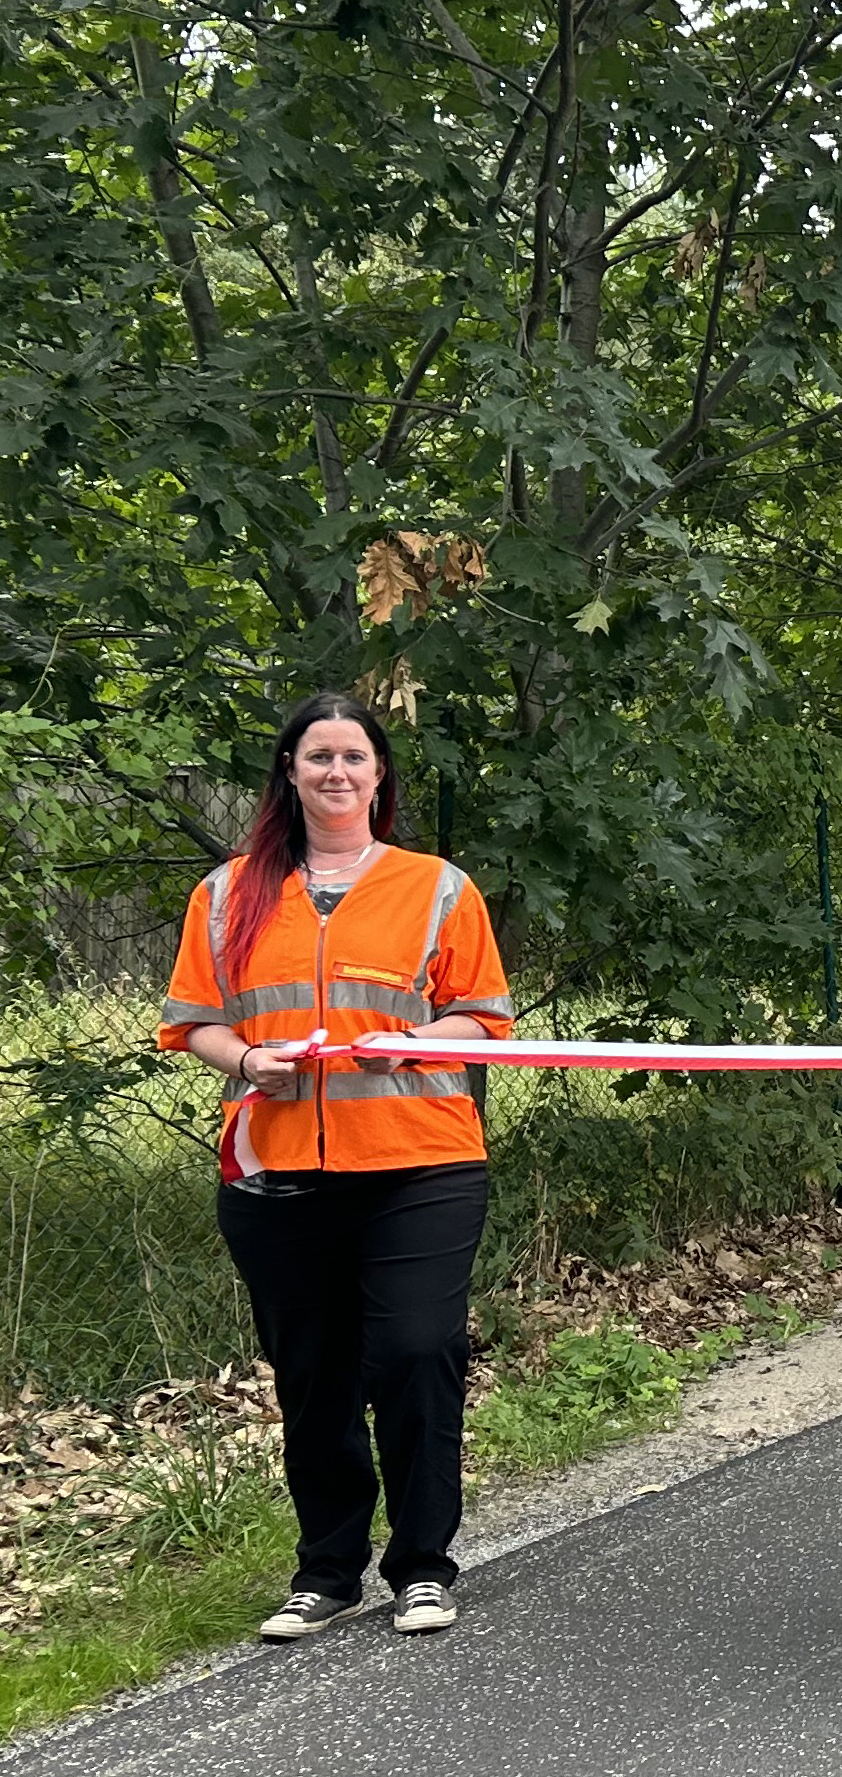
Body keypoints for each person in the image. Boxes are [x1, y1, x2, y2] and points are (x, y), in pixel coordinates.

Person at [157, 691, 516, 1642]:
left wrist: (417, 1038)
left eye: (354, 755)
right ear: (289, 770)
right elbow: (194, 1018)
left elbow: (484, 1015)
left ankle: (423, 1567)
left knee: (413, 1352)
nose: (337, 772)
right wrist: (246, 1060)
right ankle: (328, 1572)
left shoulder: (437, 885)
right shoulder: (229, 892)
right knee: (313, 1376)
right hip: (277, 1173)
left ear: (379, 773)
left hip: (419, 1163)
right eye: (318, 755)